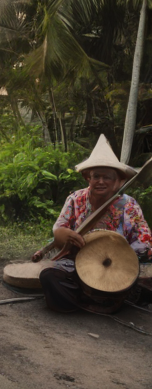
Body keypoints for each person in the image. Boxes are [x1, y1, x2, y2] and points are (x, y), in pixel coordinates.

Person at [40, 134, 152, 313]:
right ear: (87, 178)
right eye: (96, 176)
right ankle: (104, 303)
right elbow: (59, 227)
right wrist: (61, 234)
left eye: (107, 177)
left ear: (118, 181)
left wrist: (121, 255)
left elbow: (145, 240)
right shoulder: (75, 199)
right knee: (49, 276)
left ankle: (87, 301)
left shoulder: (128, 205)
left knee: (143, 281)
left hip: (117, 268)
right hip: (78, 265)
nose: (100, 181)